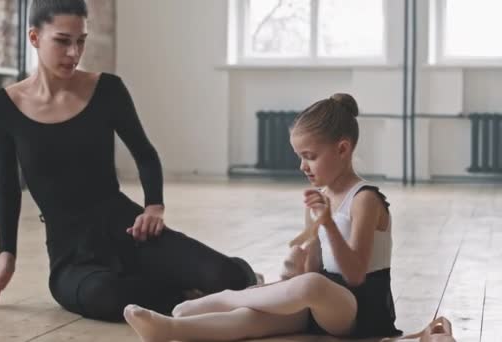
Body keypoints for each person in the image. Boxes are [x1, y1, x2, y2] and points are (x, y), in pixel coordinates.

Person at [0, 0, 257, 322]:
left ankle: (209, 287)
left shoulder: (107, 90)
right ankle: (186, 295)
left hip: (131, 230)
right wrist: (7, 256)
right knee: (105, 297)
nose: (74, 53)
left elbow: (144, 153)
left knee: (224, 276)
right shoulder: (3, 107)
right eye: (63, 41)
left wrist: (154, 207)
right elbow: (7, 188)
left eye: (81, 41)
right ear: (34, 38)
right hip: (72, 256)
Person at [124, 93, 403, 340]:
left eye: (310, 156)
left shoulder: (364, 199)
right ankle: (170, 330)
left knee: (311, 285)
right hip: (323, 303)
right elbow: (316, 270)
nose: (302, 166)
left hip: (360, 311)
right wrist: (299, 265)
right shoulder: (319, 198)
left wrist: (327, 224)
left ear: (342, 149)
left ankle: (227, 298)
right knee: (250, 320)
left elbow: (355, 276)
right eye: (299, 156)